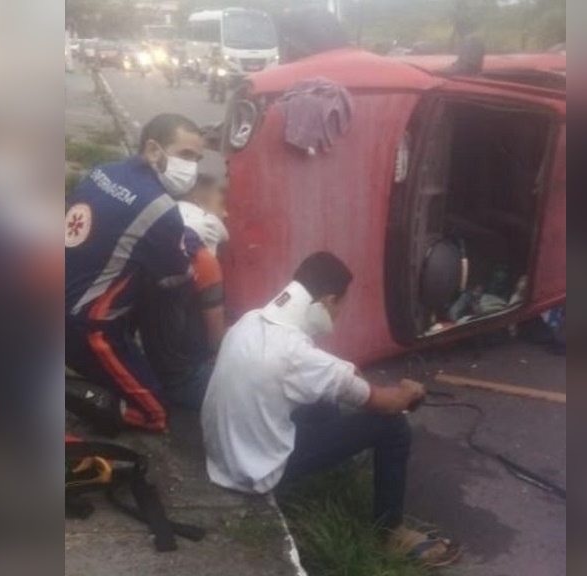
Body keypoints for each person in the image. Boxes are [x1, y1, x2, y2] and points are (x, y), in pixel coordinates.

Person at [201, 252, 461, 566]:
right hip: (254, 473)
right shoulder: (297, 354)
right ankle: (392, 533)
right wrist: (408, 392)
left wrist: (346, 377)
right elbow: (387, 403)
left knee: (327, 399)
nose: (340, 314)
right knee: (391, 427)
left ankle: (339, 471)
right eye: (341, 304)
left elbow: (324, 376)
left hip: (222, 457)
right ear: (327, 301)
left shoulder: (249, 321)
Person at [66, 113, 204, 433]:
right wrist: (187, 245)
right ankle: (68, 395)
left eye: (197, 159)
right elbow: (176, 273)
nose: (192, 167)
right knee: (155, 414)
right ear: (154, 151)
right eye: (185, 155)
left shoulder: (102, 171)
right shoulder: (159, 208)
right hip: (87, 327)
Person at [137, 151, 230, 411]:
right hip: (183, 377)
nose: (227, 209)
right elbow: (216, 342)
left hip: (150, 357)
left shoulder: (159, 226)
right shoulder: (203, 257)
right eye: (223, 196)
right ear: (200, 194)